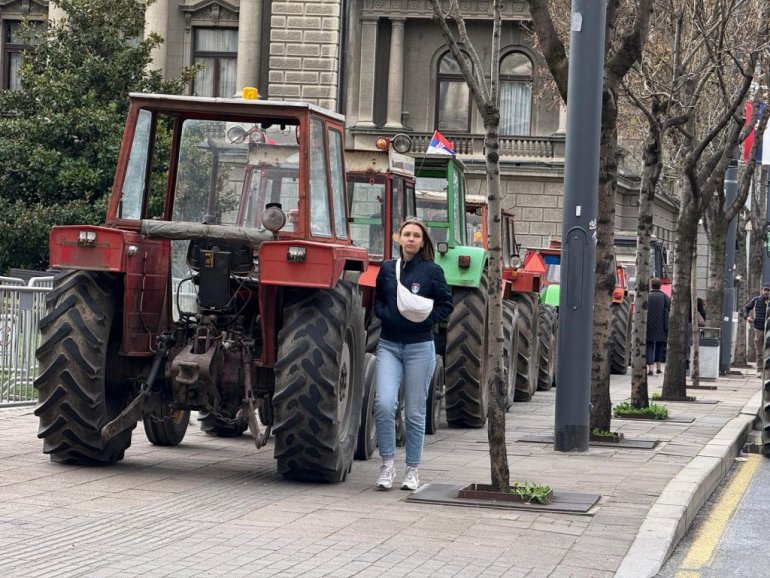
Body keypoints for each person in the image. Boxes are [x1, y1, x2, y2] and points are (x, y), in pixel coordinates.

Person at [373, 217, 453, 491]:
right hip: (389, 346)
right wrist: (387, 315)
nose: (411, 239)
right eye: (407, 234)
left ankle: (412, 470)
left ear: (422, 242)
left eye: (416, 236)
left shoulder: (432, 272)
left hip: (420, 347)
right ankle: (387, 465)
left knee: (415, 412)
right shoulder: (387, 269)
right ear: (399, 238)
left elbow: (446, 304)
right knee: (384, 404)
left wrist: (426, 321)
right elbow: (378, 300)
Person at [743, 286, 770, 376]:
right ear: (762, 291)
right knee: (759, 350)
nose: (766, 292)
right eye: (765, 290)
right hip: (759, 328)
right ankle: (760, 370)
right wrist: (747, 317)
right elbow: (746, 308)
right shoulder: (756, 300)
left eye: (768, 290)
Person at [646, 277, 671, 376]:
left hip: (649, 325)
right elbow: (669, 308)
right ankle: (659, 368)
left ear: (651, 285)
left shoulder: (647, 296)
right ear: (660, 286)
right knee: (660, 346)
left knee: (649, 345)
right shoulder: (664, 297)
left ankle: (650, 369)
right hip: (661, 325)